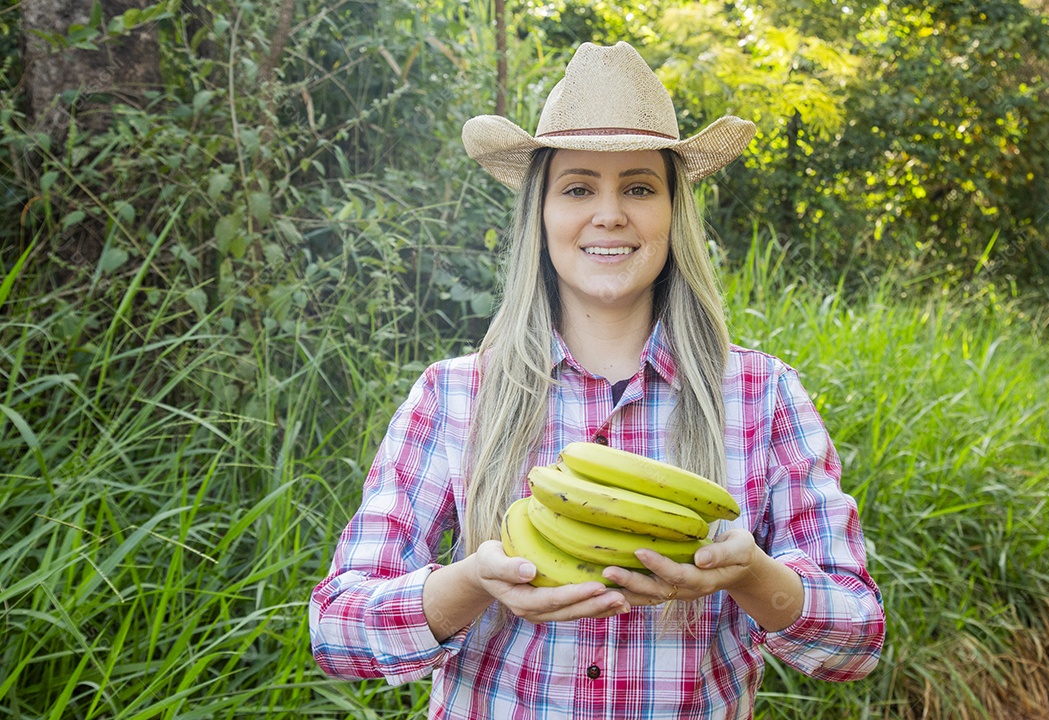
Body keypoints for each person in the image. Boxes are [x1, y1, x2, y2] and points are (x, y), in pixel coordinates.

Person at [310, 41, 885, 719]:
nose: (609, 213)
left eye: (639, 187)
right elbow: (336, 631)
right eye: (578, 187)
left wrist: (755, 576)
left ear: (674, 214)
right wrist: (469, 585)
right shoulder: (453, 396)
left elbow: (857, 640)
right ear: (541, 215)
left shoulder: (763, 396)